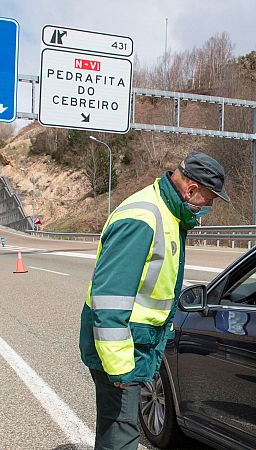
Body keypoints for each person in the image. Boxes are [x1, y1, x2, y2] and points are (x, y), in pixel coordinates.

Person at [80, 151, 229, 450]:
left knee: (117, 429)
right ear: (190, 190)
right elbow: (109, 298)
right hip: (122, 350)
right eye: (209, 200)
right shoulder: (143, 217)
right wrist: (120, 366)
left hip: (137, 343)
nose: (208, 208)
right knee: (121, 435)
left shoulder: (169, 214)